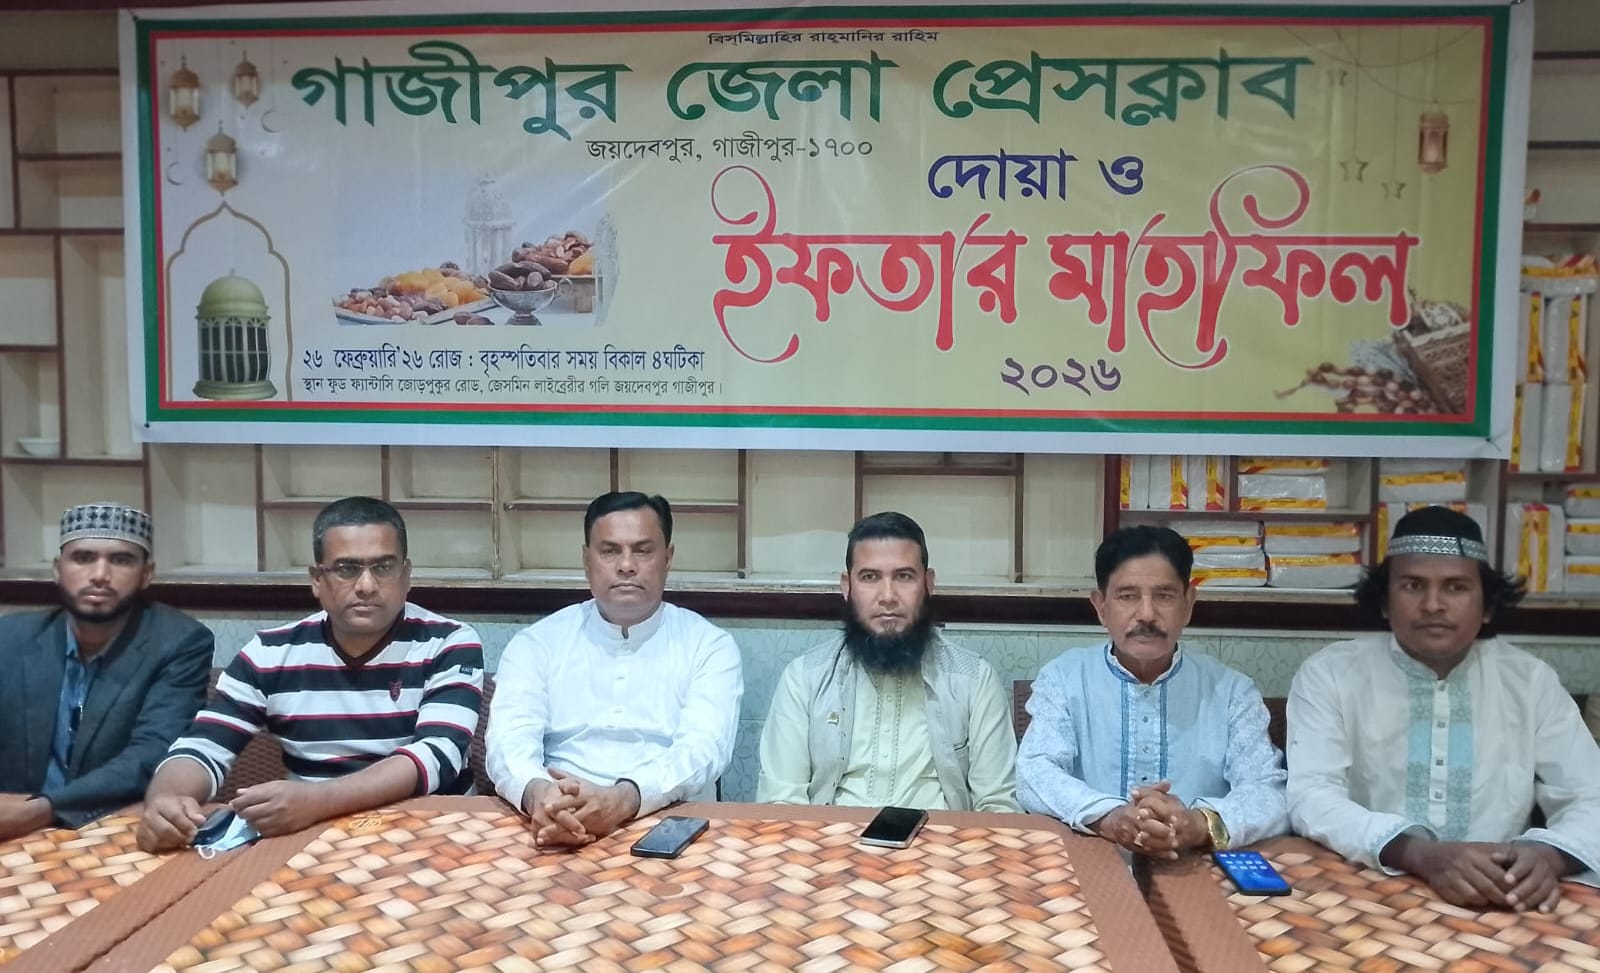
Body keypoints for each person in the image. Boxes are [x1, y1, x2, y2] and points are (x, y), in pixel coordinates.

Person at [1288, 505, 1600, 911]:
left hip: (1505, 895)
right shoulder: (1330, 674)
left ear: (1487, 606)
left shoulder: (1530, 682)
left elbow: (1590, 797)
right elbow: (1311, 797)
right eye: (1413, 586)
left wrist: (1549, 856)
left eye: (1455, 587)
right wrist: (1417, 854)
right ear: (1385, 602)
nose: (1433, 604)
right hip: (1367, 890)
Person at [137, 497, 483, 852]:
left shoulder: (448, 642)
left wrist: (319, 800)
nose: (366, 585)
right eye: (347, 569)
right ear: (317, 579)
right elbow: (204, 745)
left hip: (434, 832)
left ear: (406, 575)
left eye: (383, 567)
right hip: (309, 836)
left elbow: (437, 755)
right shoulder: (271, 652)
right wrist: (167, 799)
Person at [486, 491, 742, 849]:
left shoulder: (709, 646)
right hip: (555, 818)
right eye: (610, 551)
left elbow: (702, 751)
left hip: (670, 823)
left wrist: (622, 800)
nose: (626, 565)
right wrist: (539, 794)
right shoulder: (537, 643)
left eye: (642, 550)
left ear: (668, 558)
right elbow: (508, 744)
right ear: (586, 559)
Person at [1017, 525, 1287, 857]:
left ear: (1188, 604)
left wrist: (1198, 824)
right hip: (1091, 864)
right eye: (1128, 596)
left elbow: (1268, 791)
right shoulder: (1063, 678)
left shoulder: (1232, 692)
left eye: (1164, 596)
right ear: (1101, 607)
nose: (1146, 614)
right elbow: (1035, 772)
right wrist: (1110, 817)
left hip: (1196, 866)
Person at [757, 512, 1017, 812]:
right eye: (870, 577)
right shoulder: (804, 678)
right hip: (830, 839)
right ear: (846, 586)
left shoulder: (974, 679)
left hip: (943, 840)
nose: (888, 596)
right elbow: (781, 804)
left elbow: (998, 806)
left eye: (904, 576)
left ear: (928, 584)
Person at [0, 503, 213, 838]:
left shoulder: (178, 642)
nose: (100, 574)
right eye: (83, 558)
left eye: (121, 560)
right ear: (57, 569)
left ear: (146, 574)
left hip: (114, 827)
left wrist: (41, 809)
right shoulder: (10, 637)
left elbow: (152, 753)